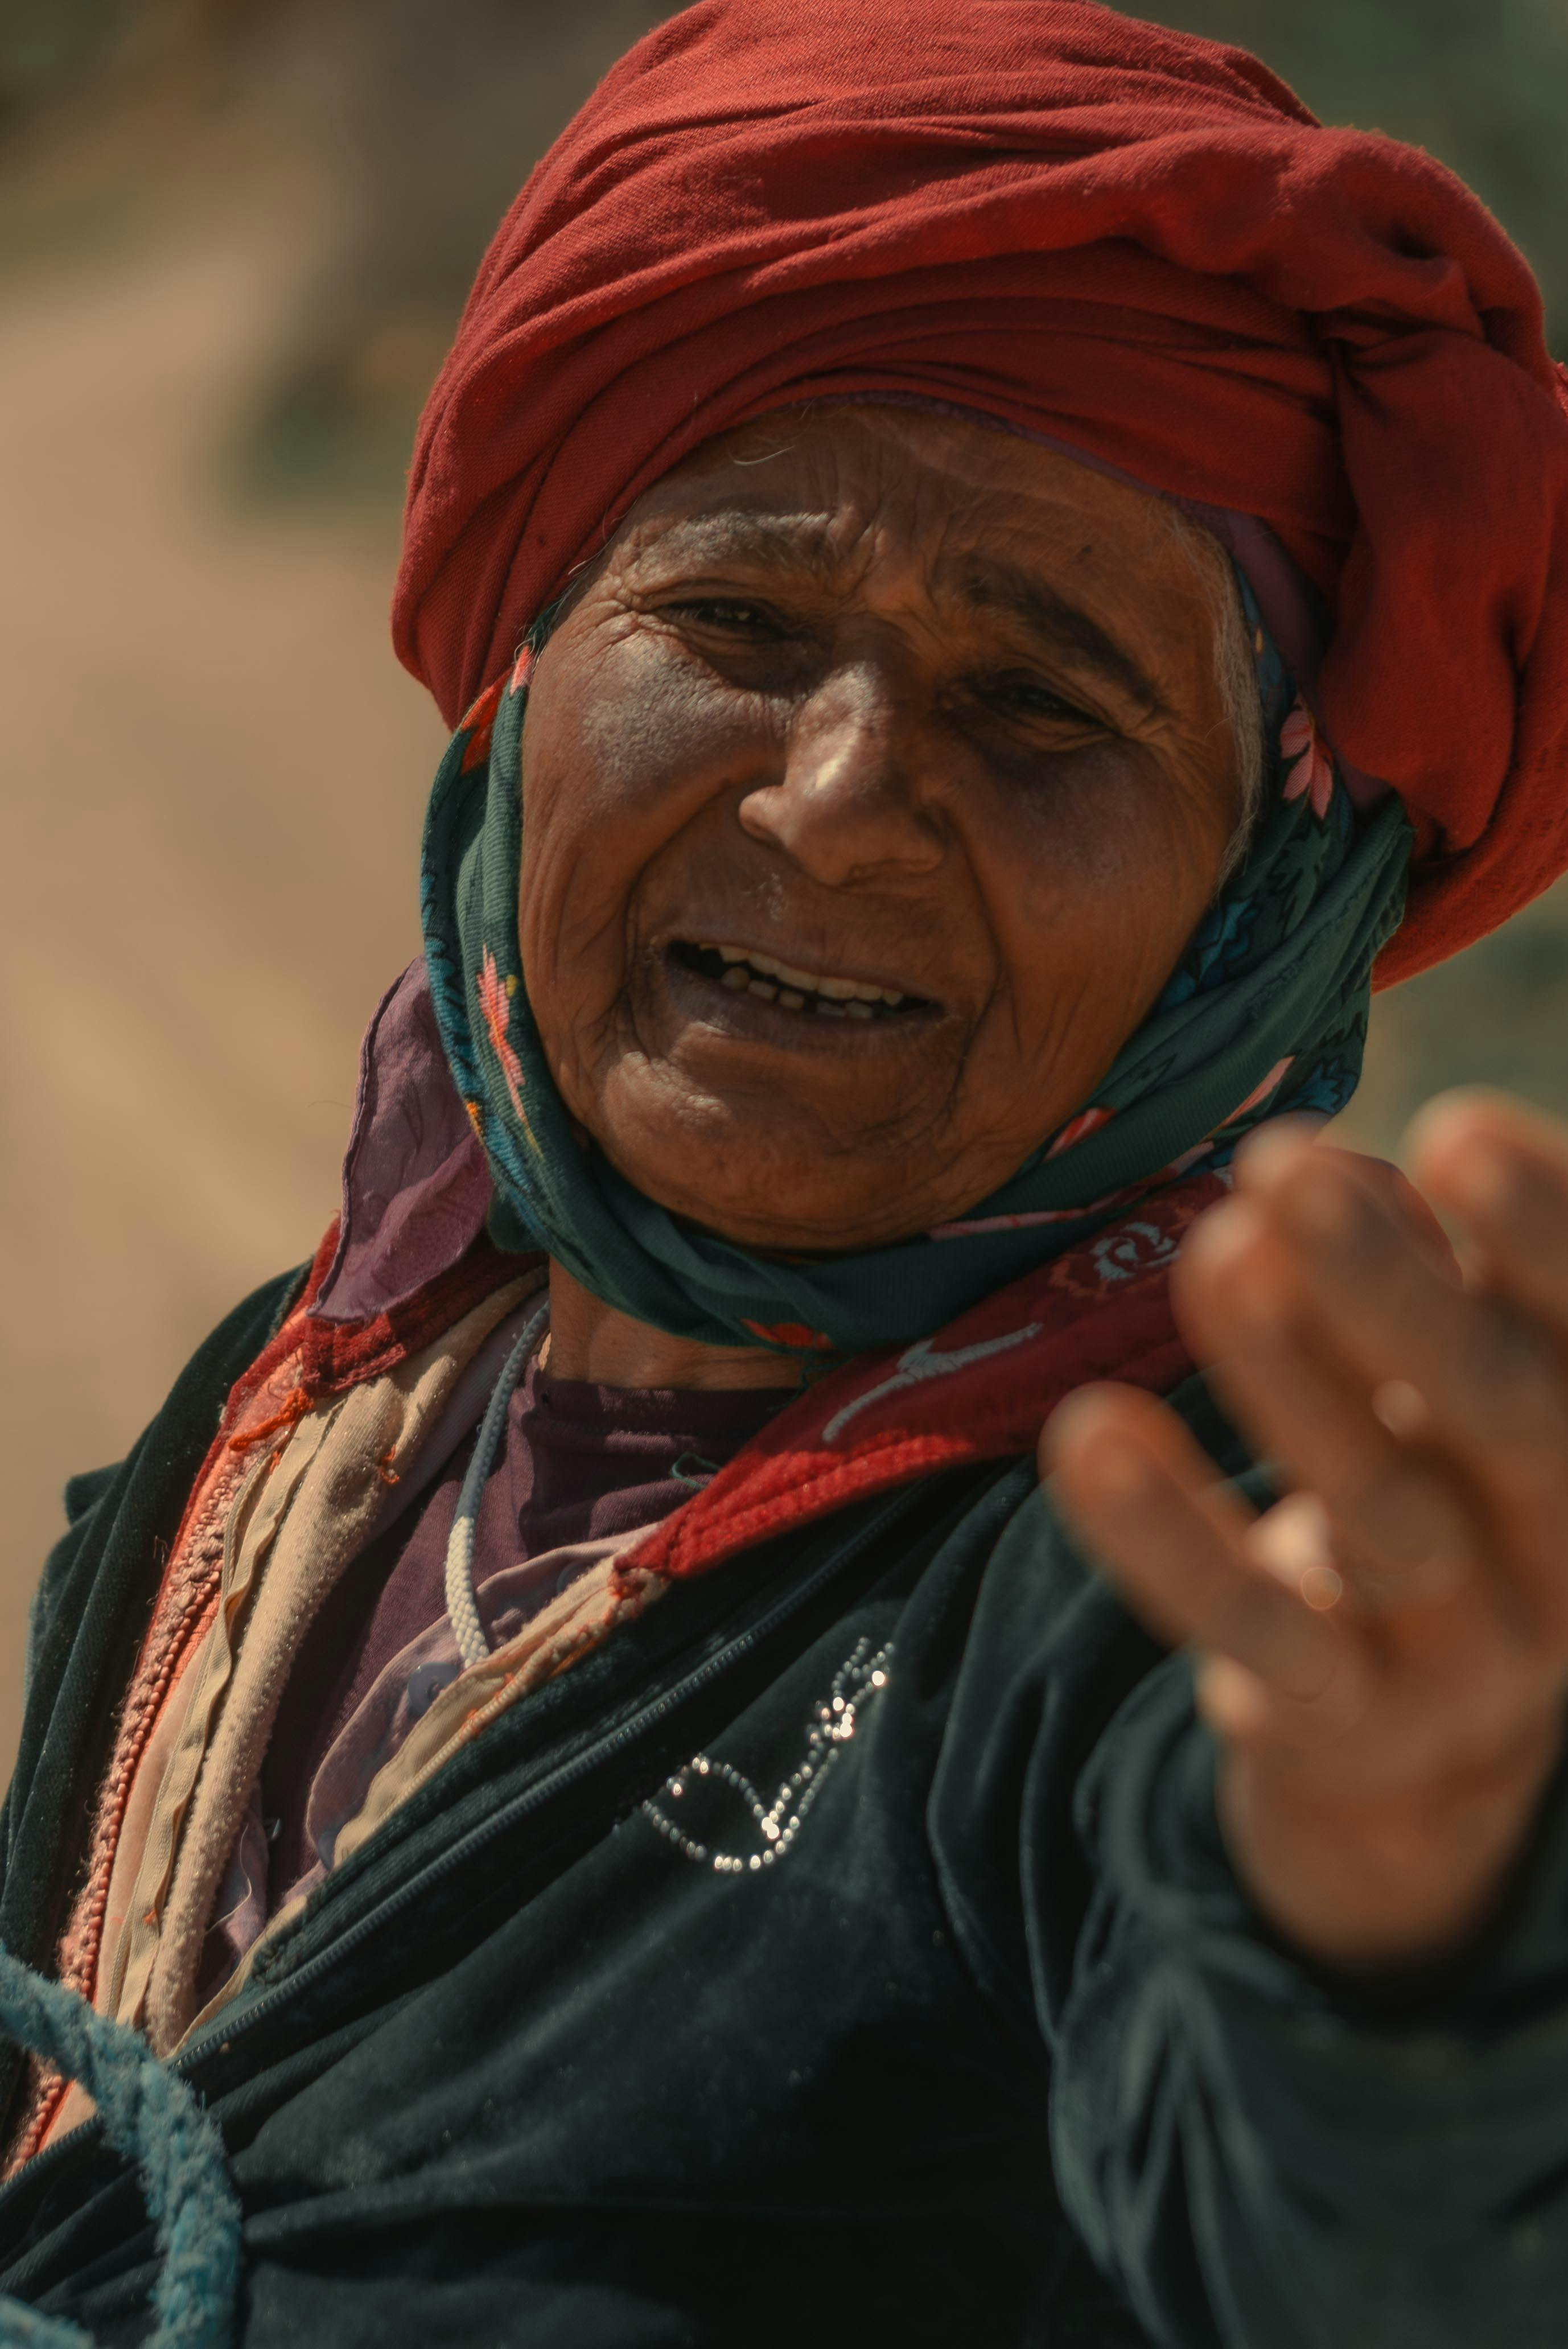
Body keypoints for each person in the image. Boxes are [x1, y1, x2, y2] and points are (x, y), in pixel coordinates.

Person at [4, 3, 1568, 2341]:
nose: (833, 797)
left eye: (1045, 709)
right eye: (729, 626)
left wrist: (1407, 1957)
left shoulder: (1184, 1567)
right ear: (524, 682)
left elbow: (1337, 2243)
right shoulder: (303, 1405)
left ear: (1259, 899)